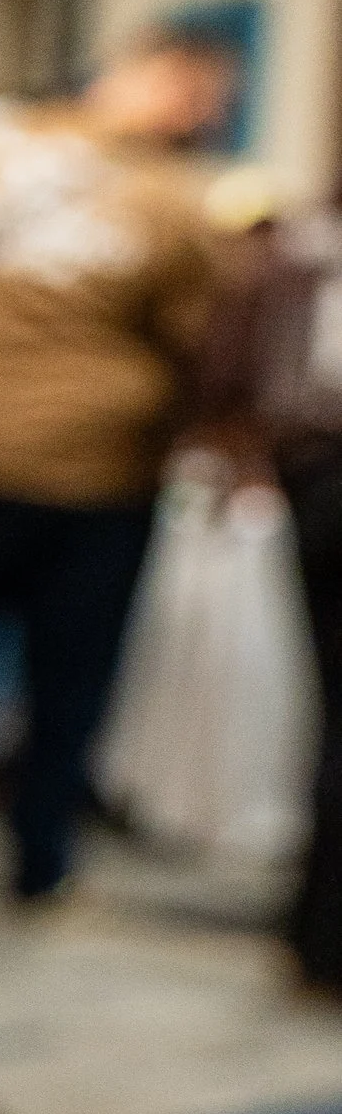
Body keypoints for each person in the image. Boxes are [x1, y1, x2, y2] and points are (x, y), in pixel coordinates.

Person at [0, 30, 233, 902]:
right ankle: (37, 855)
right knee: (65, 671)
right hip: (90, 465)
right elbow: (197, 336)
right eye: (204, 91)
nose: (210, 113)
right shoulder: (172, 200)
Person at [198, 195, 342, 982]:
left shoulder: (300, 246)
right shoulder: (297, 249)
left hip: (312, 474)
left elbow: (233, 361)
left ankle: (318, 930)